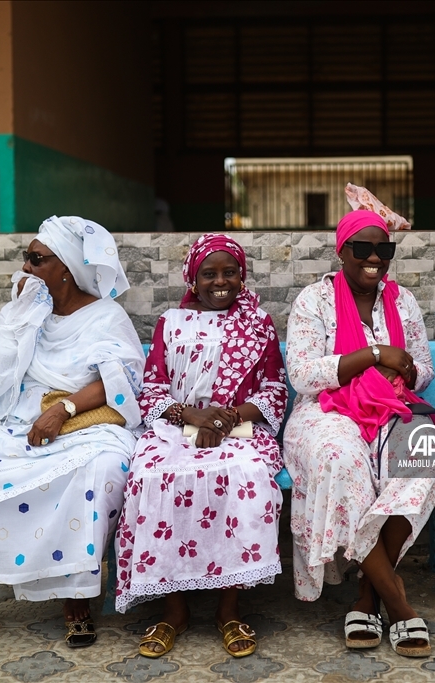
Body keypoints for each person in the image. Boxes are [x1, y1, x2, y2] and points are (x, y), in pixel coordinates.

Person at [0, 216, 145, 650]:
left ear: (66, 267)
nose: (25, 268)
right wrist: (18, 319)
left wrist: (63, 409)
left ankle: (74, 595)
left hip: (84, 421)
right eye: (26, 259)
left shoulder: (105, 315)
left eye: (36, 259)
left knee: (98, 471)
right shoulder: (27, 315)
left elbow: (121, 379)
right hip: (18, 419)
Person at [115, 234, 287, 659]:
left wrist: (227, 417)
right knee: (153, 477)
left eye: (230, 272)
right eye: (208, 274)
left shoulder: (258, 324)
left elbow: (274, 389)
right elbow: (152, 390)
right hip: (176, 427)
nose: (220, 281)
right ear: (193, 279)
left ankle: (228, 609)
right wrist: (191, 416)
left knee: (243, 476)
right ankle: (175, 610)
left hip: (241, 429)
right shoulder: (170, 323)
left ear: (242, 276)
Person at [283, 210, 435, 658]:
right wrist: (375, 355)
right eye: (363, 248)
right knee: (341, 459)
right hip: (326, 411)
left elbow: (423, 367)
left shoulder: (403, 300)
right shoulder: (314, 301)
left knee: (424, 454)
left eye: (384, 249)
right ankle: (397, 603)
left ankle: (367, 594)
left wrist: (406, 371)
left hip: (390, 406)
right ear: (342, 251)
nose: (374, 257)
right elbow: (302, 374)